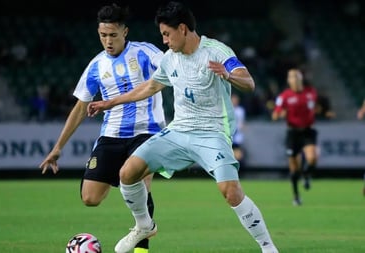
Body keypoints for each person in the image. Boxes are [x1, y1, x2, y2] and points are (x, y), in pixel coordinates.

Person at [88, 2, 279, 253]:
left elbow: (249, 82)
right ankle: (144, 225)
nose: (165, 41)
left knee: (231, 192)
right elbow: (149, 87)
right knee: (128, 172)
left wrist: (228, 75)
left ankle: (268, 247)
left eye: (167, 34)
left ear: (183, 29)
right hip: (178, 131)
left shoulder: (216, 51)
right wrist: (109, 102)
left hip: (212, 133)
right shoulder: (170, 59)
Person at [39, 4, 166, 253]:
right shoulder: (96, 65)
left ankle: (142, 247)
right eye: (103, 35)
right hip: (111, 135)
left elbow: (171, 71)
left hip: (147, 131)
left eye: (113, 35)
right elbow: (79, 108)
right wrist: (58, 147)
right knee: (90, 198)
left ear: (125, 32)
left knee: (140, 184)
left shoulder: (145, 52)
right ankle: (143, 218)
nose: (107, 41)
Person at [272, 68, 318, 206]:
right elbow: (275, 114)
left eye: (297, 76)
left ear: (301, 78)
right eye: (292, 77)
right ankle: (296, 196)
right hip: (293, 132)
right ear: (288, 80)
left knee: (312, 158)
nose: (295, 79)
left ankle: (306, 174)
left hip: (307, 131)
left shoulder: (311, 92)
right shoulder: (284, 96)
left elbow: (316, 108)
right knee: (294, 168)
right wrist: (280, 114)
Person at [231, 93, 246, 166]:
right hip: (229, 135)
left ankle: (239, 171)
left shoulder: (240, 110)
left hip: (237, 136)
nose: (234, 101)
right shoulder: (228, 109)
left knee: (238, 154)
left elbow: (241, 123)